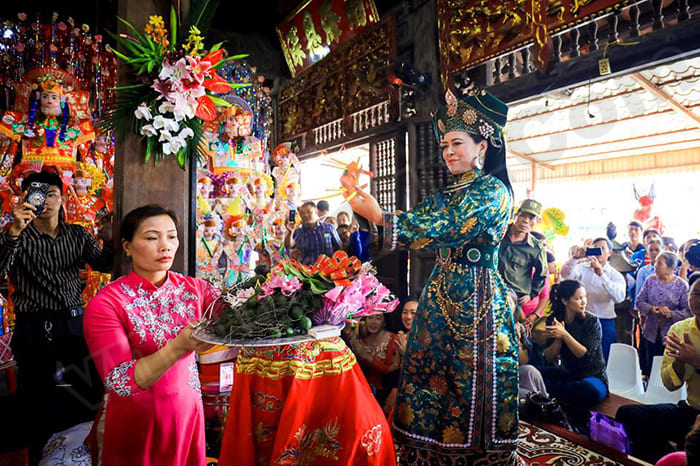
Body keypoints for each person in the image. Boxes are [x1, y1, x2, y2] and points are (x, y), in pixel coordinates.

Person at [341, 89, 519, 463]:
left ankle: (474, 454)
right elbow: (420, 222)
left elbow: (446, 226)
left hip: (477, 299)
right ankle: (426, 450)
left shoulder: (493, 191)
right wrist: (364, 204)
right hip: (440, 295)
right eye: (443, 145)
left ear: (482, 146)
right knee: (429, 373)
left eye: (457, 143)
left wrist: (380, 217)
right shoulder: (448, 192)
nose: (448, 152)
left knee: (467, 379)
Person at [83, 205, 218, 465]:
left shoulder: (196, 289)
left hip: (187, 414)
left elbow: (236, 313)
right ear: (127, 246)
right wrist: (179, 346)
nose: (165, 246)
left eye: (171, 236)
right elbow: (120, 381)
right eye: (152, 237)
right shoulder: (108, 303)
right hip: (138, 423)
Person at [0, 170, 111, 463]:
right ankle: (37, 457)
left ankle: (82, 455)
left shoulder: (76, 234)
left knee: (91, 392)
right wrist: (14, 231)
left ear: (62, 198)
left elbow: (105, 264)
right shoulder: (16, 235)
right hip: (33, 326)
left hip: (74, 324)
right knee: (35, 401)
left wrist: (111, 237)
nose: (44, 201)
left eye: (51, 194)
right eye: (36, 194)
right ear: (25, 199)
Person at [617, 280, 700, 463]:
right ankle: (665, 459)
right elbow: (669, 384)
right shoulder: (680, 329)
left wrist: (696, 362)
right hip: (690, 408)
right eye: (696, 294)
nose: (699, 299)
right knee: (628, 414)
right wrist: (679, 361)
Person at [540, 280, 608, 410]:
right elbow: (548, 358)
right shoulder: (554, 320)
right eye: (578, 298)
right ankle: (557, 390)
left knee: (588, 390)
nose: (584, 302)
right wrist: (558, 340)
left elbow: (585, 356)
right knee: (536, 373)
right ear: (565, 301)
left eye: (584, 297)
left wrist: (565, 335)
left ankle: (553, 391)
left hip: (593, 377)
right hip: (569, 374)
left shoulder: (591, 321)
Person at [561, 238, 626, 361]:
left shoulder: (615, 275)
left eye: (602, 249)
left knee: (603, 358)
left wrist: (602, 275)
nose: (598, 252)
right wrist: (575, 258)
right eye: (595, 248)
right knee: (578, 357)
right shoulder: (581, 268)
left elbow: (619, 297)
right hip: (581, 319)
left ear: (610, 252)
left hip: (605, 321)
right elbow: (565, 275)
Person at [637, 251, 691, 376]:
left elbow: (688, 312)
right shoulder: (650, 281)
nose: (655, 266)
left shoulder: (681, 286)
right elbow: (640, 301)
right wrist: (651, 309)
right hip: (650, 333)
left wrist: (671, 314)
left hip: (670, 336)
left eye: (659, 263)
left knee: (666, 371)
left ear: (671, 268)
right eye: (655, 262)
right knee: (648, 368)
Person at [499, 199, 548, 330]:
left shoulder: (536, 248)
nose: (526, 221)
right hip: (491, 292)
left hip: (515, 301)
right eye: (524, 215)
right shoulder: (498, 233)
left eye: (531, 217)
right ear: (516, 215)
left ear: (536, 222)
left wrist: (531, 294)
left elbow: (541, 275)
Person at [350, 313, 401, 404]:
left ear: (384, 322)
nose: (373, 322)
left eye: (378, 318)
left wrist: (366, 356)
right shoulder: (362, 341)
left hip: (387, 393)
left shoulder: (395, 340)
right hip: (365, 393)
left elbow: (392, 370)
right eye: (370, 317)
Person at [284, 200, 342, 265]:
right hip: (308, 271)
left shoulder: (329, 228)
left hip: (328, 269)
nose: (305, 215)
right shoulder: (298, 232)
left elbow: (339, 247)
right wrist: (290, 232)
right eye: (302, 213)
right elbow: (289, 245)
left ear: (316, 212)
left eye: (309, 212)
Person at [634, 237, 663, 309]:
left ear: (662, 251)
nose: (654, 253)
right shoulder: (643, 271)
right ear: (647, 252)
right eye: (651, 250)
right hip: (648, 309)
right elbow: (638, 292)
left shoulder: (670, 270)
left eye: (657, 250)